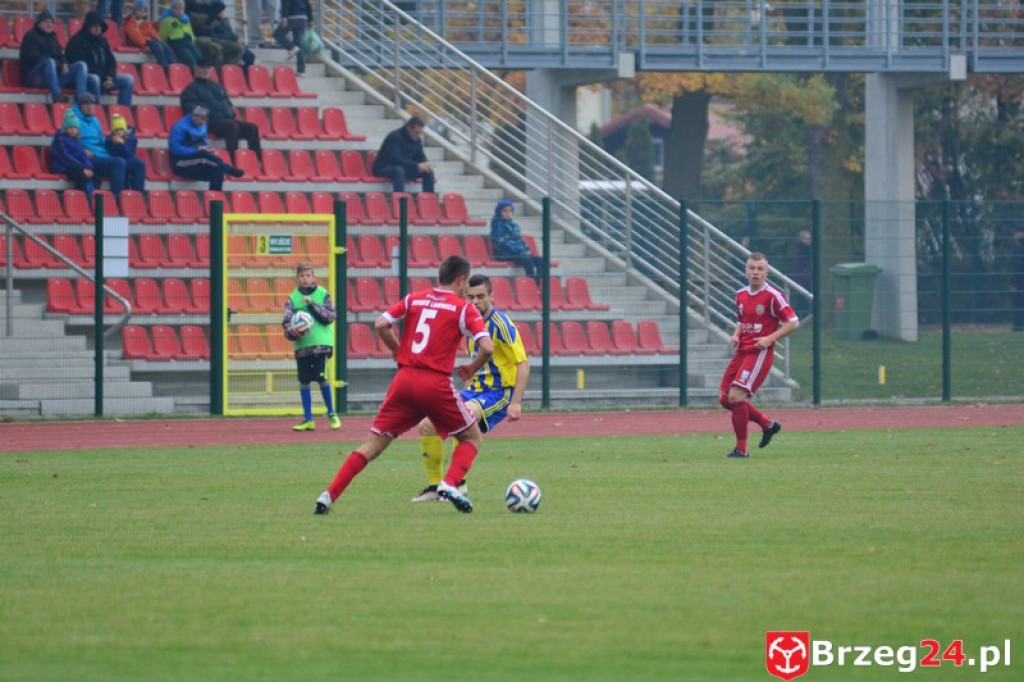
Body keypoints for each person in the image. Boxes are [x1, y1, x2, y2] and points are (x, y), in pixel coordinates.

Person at [312, 255, 494, 516]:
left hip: (404, 381)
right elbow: (487, 347)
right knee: (472, 437)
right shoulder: (463, 308)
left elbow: (381, 324)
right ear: (461, 280)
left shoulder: (414, 298)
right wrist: (473, 367)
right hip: (434, 383)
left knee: (373, 444)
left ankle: (327, 496)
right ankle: (450, 484)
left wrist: (399, 352)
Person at [411, 274, 530, 502]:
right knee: (426, 426)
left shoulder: (501, 324)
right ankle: (438, 487)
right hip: (473, 391)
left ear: (491, 296)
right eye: (470, 296)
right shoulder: (467, 324)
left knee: (462, 419)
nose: (475, 301)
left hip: (498, 393)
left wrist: (515, 402)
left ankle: (453, 483)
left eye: (481, 296)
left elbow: (523, 365)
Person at [719, 252, 799, 459]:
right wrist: (737, 334)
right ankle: (767, 424)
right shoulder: (740, 295)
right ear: (746, 270)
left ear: (767, 272)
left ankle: (741, 449)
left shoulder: (773, 296)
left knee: (736, 397)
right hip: (742, 351)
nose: (755, 272)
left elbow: (793, 322)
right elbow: (742, 320)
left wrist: (770, 338)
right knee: (725, 399)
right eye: (752, 268)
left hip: (759, 353)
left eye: (760, 269)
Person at [283, 264, 341, 431]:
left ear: (314, 277)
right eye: (302, 275)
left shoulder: (323, 294)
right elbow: (286, 326)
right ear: (297, 278)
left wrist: (312, 305)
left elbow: (330, 317)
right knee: (304, 381)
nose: (305, 278)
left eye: (308, 275)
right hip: (302, 347)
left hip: (321, 346)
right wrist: (294, 332)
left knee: (321, 377)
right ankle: (308, 419)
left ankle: (331, 413)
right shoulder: (292, 299)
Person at [180, 58, 261, 159]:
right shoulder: (191, 89)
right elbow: (191, 108)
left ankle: (257, 161)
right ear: (196, 69)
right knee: (232, 127)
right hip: (209, 122)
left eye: (208, 68)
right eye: (203, 68)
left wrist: (230, 113)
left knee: (252, 128)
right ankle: (232, 160)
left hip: (225, 120)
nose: (205, 71)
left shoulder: (217, 86)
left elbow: (227, 103)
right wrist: (208, 115)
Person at [74, 93, 145, 201]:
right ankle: (118, 200)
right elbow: (70, 140)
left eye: (92, 103)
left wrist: (112, 141)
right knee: (119, 162)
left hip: (103, 155)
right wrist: (82, 151)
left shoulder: (95, 121)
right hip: (91, 158)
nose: (90, 106)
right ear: (80, 106)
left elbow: (101, 140)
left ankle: (138, 199)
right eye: (86, 104)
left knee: (139, 164)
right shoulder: (74, 121)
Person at [18, 10, 90, 104]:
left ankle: (81, 100)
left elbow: (61, 55)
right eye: (46, 22)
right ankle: (57, 96)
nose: (49, 25)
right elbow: (35, 58)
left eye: (51, 22)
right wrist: (60, 65)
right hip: (34, 78)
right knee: (49, 62)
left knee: (81, 65)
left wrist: (65, 64)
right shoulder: (30, 36)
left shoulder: (53, 38)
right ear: (39, 23)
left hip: (52, 78)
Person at [66, 10, 135, 106]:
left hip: (104, 79)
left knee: (128, 80)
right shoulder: (77, 41)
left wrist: (110, 77)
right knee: (95, 79)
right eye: (94, 25)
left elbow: (111, 61)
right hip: (86, 79)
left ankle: (124, 115)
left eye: (100, 25)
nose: (97, 27)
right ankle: (98, 113)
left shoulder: (103, 41)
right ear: (88, 25)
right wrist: (103, 78)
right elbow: (81, 66)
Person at [168, 105, 245, 191]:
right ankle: (228, 168)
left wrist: (204, 147)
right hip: (180, 162)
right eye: (202, 119)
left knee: (218, 171)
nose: (203, 122)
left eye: (205, 119)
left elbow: (203, 141)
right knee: (204, 158)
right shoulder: (180, 126)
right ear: (195, 116)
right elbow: (174, 148)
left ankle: (215, 201)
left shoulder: (202, 125)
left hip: (196, 163)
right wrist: (195, 151)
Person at [372, 116, 435, 194]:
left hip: (404, 168)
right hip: (384, 167)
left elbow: (420, 156)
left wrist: (425, 164)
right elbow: (395, 159)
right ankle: (400, 200)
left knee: (428, 172)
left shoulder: (417, 139)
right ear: (408, 128)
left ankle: (429, 201)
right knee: (398, 170)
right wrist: (416, 165)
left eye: (420, 133)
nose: (418, 135)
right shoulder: (395, 137)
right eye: (416, 132)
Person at [490, 199, 544, 285]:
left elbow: (519, 240)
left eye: (510, 211)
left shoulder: (513, 225)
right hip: (503, 254)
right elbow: (502, 243)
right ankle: (532, 285)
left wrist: (525, 249)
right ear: (499, 212)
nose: (508, 213)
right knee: (527, 260)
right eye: (505, 211)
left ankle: (539, 283)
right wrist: (518, 251)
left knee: (541, 260)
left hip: (517, 253)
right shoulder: (497, 225)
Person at [188, 0, 254, 68]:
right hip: (202, 38)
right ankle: (218, 72)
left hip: (222, 39)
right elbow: (202, 28)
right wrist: (212, 17)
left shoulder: (220, 18)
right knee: (216, 48)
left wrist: (224, 20)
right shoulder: (197, 10)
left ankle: (230, 71)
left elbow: (229, 33)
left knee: (243, 51)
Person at [49, 110, 96, 204]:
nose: (73, 130)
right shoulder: (60, 140)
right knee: (82, 176)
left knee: (95, 175)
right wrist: (82, 167)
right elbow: (66, 157)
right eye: (70, 127)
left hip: (75, 166)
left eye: (75, 127)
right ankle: (79, 201)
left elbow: (83, 156)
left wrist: (88, 167)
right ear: (65, 128)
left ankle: (92, 199)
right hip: (63, 166)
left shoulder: (77, 141)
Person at [124, 0, 177, 67]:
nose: (142, 13)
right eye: (140, 11)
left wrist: (159, 40)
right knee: (158, 48)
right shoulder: (131, 21)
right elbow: (135, 35)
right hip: (142, 42)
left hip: (150, 40)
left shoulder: (146, 22)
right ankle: (165, 68)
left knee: (166, 48)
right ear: (135, 11)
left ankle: (174, 68)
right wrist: (144, 45)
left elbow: (152, 32)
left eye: (144, 11)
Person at [105, 113, 147, 192]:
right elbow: (112, 155)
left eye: (121, 130)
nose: (119, 132)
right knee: (120, 164)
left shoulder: (130, 139)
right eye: (116, 130)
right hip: (117, 164)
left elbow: (131, 155)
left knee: (140, 163)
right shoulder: (109, 141)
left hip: (128, 162)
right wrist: (115, 144)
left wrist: (122, 144)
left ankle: (138, 194)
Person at [273, 0, 312, 77]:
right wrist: (310, 20)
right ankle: (301, 71)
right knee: (299, 44)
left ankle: (291, 47)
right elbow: (308, 4)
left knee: (277, 35)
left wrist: (284, 18)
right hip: (303, 18)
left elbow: (285, 3)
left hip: (292, 17)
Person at [159, 0, 203, 70]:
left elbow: (190, 31)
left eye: (182, 9)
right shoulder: (167, 20)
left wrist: (193, 40)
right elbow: (163, 34)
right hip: (176, 41)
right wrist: (164, 44)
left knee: (198, 56)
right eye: (178, 9)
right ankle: (194, 76)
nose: (180, 12)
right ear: (173, 9)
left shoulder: (185, 18)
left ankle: (203, 74)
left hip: (187, 41)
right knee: (189, 58)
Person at [790, 229, 813, 318]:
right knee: (801, 299)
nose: (809, 240)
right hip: (802, 279)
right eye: (807, 238)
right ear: (802, 239)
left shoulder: (808, 250)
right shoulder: (800, 251)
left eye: (809, 238)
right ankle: (802, 316)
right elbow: (797, 266)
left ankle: (804, 315)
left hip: (807, 278)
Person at [1010, 229, 1024, 332]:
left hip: (1020, 283)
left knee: (1018, 304)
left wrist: (1013, 283)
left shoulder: (1018, 250)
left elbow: (1016, 268)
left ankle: (1019, 327)